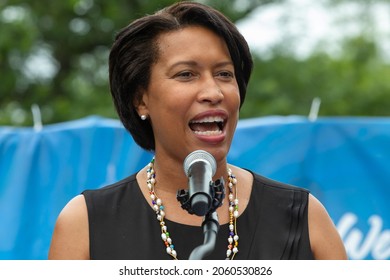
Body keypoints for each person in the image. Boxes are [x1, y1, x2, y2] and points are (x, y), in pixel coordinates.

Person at [48, 1, 347, 260]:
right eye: (187, 74)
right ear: (141, 99)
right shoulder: (86, 222)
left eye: (224, 74)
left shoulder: (303, 216)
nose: (213, 91)